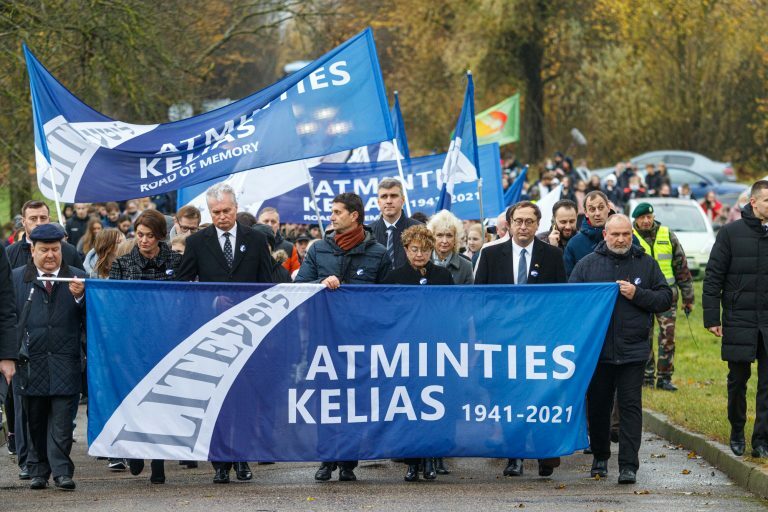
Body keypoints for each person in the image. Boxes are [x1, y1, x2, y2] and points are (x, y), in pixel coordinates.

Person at [175, 183, 272, 484]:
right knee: (216, 398)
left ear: (236, 207)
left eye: (226, 211)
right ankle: (220, 461)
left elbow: (267, 283)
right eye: (216, 212)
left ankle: (242, 457)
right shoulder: (198, 242)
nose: (221, 217)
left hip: (249, 331)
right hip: (212, 332)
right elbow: (181, 285)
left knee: (243, 398)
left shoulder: (255, 239)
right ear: (209, 212)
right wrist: (210, 301)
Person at [569, 214, 673, 484]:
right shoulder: (587, 265)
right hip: (598, 351)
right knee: (599, 407)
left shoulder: (645, 264)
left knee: (630, 408)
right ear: (605, 235)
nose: (621, 239)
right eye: (615, 234)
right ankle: (601, 457)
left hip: (633, 350)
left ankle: (629, 465)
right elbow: (571, 303)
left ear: (631, 235)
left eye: (626, 234)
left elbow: (664, 297)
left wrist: (637, 294)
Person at [295, 192, 390, 482]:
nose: (332, 216)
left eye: (337, 212)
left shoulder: (378, 253)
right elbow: (299, 287)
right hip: (323, 337)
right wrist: (319, 283)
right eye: (332, 212)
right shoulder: (318, 249)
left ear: (354, 215)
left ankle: (349, 460)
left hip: (360, 338)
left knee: (355, 398)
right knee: (326, 397)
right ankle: (327, 459)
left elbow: (387, 297)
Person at [474, 201, 566, 478]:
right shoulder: (491, 254)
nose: (523, 226)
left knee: (539, 398)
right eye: (518, 221)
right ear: (509, 223)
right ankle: (514, 455)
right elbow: (480, 301)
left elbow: (560, 301)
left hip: (540, 342)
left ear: (538, 224)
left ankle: (542, 454)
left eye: (529, 221)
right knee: (508, 399)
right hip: (503, 342)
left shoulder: (552, 256)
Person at [108, 209, 182, 482]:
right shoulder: (122, 263)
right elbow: (113, 303)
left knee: (161, 400)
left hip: (166, 339)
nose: (144, 240)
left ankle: (158, 461)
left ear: (160, 236)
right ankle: (137, 450)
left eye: (150, 236)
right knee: (136, 398)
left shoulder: (177, 260)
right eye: (140, 235)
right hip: (133, 341)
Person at [11, 223, 87, 491]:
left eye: (55, 249)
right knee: (34, 420)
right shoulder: (17, 278)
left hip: (65, 361)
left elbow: (92, 320)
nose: (50, 255)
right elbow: (9, 319)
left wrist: (81, 299)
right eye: (44, 250)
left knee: (63, 422)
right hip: (30, 363)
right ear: (32, 250)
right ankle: (37, 471)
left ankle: (62, 471)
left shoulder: (77, 278)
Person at [382, 225, 453, 481]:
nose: (419, 255)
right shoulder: (394, 277)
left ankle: (431, 457)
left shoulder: (443, 276)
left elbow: (453, 310)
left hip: (436, 348)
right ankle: (412, 461)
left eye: (424, 250)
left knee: (435, 403)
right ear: (405, 250)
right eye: (414, 250)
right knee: (409, 405)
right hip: (406, 349)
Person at [703, 180, 768, 458]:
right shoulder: (730, 233)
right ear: (753, 202)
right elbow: (713, 277)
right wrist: (711, 317)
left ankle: (762, 440)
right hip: (739, 319)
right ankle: (737, 431)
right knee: (737, 381)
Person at [631, 203, 694, 391]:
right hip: (642, 296)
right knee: (644, 337)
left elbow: (681, 267)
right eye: (642, 218)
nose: (646, 221)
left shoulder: (667, 235)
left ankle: (665, 377)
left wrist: (688, 297)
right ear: (635, 219)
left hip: (667, 295)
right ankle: (646, 377)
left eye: (649, 217)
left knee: (668, 337)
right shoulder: (630, 237)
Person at [7, 201, 83, 271]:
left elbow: (82, 280)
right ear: (23, 221)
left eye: (43, 218)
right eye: (33, 218)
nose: (39, 223)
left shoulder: (69, 250)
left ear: (49, 220)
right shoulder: (10, 253)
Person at [370, 178, 422, 270]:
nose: (389, 201)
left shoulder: (420, 230)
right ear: (378, 202)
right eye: (384, 196)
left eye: (393, 196)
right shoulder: (367, 233)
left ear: (403, 200)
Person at [564, 191, 611, 277]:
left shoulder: (625, 236)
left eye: (601, 207)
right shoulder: (574, 244)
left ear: (608, 208)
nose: (597, 213)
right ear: (586, 212)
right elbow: (569, 280)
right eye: (592, 209)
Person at [427, 210, 473, 285]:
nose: (444, 241)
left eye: (449, 235)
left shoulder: (466, 267)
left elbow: (468, 295)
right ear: (432, 237)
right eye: (440, 235)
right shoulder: (422, 262)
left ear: (456, 238)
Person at [257, 207, 300, 275]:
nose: (269, 225)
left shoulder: (289, 248)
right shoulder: (251, 244)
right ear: (258, 223)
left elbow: (296, 276)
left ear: (278, 225)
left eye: (273, 222)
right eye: (266, 221)